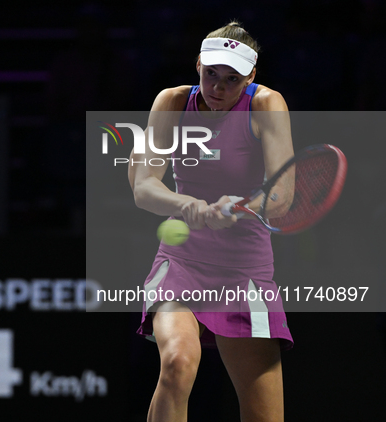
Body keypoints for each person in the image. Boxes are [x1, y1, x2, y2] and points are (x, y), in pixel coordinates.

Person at [129, 21, 294, 422]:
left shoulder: (266, 104)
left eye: (232, 79)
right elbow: (144, 186)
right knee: (178, 362)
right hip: (183, 261)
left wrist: (243, 205)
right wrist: (192, 208)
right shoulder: (171, 101)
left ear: (251, 76)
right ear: (199, 63)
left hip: (245, 271)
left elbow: (282, 196)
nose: (218, 87)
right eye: (211, 74)